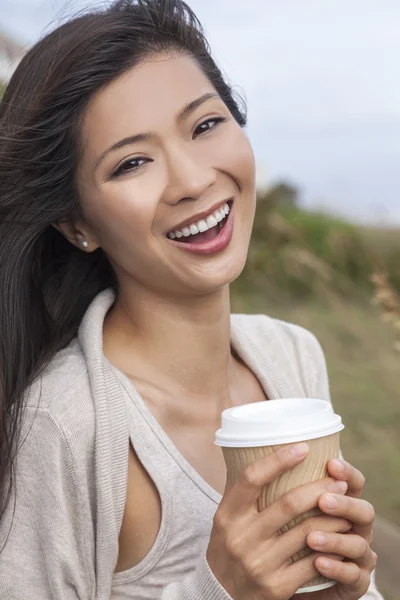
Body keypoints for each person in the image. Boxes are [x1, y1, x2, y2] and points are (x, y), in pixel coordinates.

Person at [0, 1, 383, 599]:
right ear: (78, 223)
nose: (193, 180)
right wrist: (219, 589)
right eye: (131, 163)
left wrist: (348, 590)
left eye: (205, 125)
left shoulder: (290, 358)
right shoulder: (64, 426)